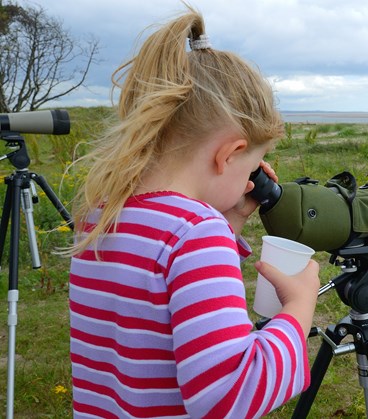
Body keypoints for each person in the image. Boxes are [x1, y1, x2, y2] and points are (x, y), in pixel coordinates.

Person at [68, 6, 320, 418]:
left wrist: (230, 221)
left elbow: (150, 319)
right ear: (230, 154)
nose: (249, 184)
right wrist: (299, 309)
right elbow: (230, 397)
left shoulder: (99, 215)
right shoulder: (194, 235)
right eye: (251, 167)